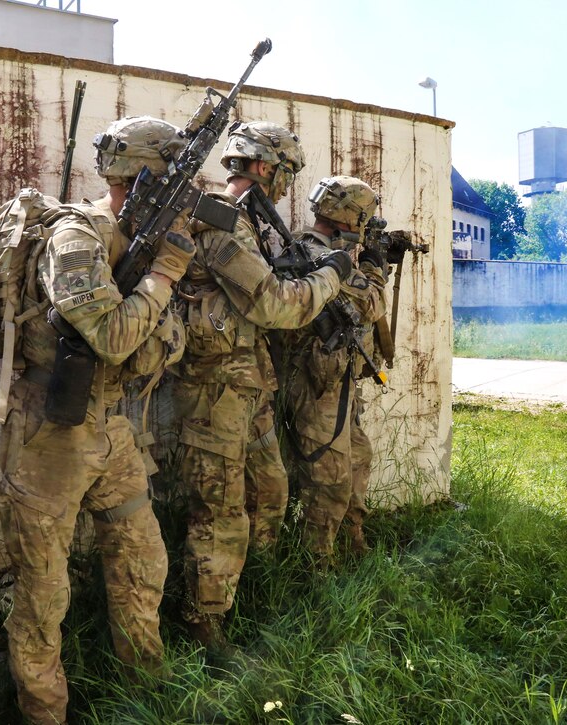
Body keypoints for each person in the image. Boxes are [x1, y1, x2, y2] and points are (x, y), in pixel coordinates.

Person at [0, 116, 192, 725]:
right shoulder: (76, 238)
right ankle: (44, 711)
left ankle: (145, 687)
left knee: (142, 557)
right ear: (140, 181)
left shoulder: (139, 233)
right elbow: (110, 335)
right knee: (43, 591)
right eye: (174, 183)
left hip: (110, 426)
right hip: (50, 435)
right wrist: (164, 276)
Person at [172, 121, 352, 653]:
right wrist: (333, 275)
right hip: (215, 393)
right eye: (286, 174)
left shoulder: (250, 224)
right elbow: (273, 304)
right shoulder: (222, 226)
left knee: (270, 490)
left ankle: (251, 591)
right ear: (264, 167)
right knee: (221, 510)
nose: (286, 186)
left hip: (249, 385)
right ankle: (204, 626)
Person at [280, 176, 389, 562]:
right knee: (328, 480)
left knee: (358, 456)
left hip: (338, 380)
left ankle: (351, 543)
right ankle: (317, 566)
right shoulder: (317, 255)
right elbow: (371, 303)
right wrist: (376, 267)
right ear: (350, 219)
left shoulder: (322, 251)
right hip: (315, 384)